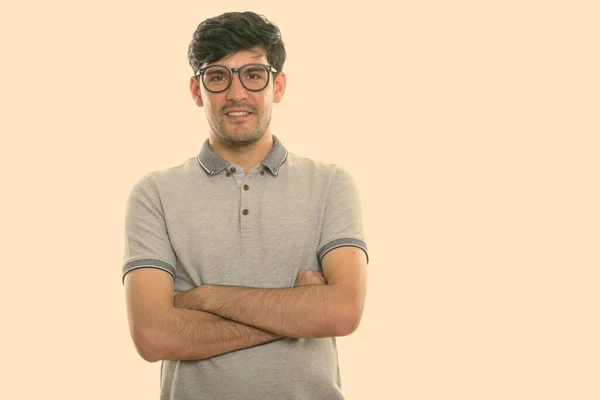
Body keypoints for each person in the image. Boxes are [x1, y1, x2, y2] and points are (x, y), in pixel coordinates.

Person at [122, 11, 369, 400]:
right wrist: (299, 312)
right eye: (218, 76)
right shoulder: (155, 193)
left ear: (279, 85)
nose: (236, 94)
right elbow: (153, 337)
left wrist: (205, 298)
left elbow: (341, 313)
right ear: (196, 90)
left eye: (253, 75)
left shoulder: (330, 184)